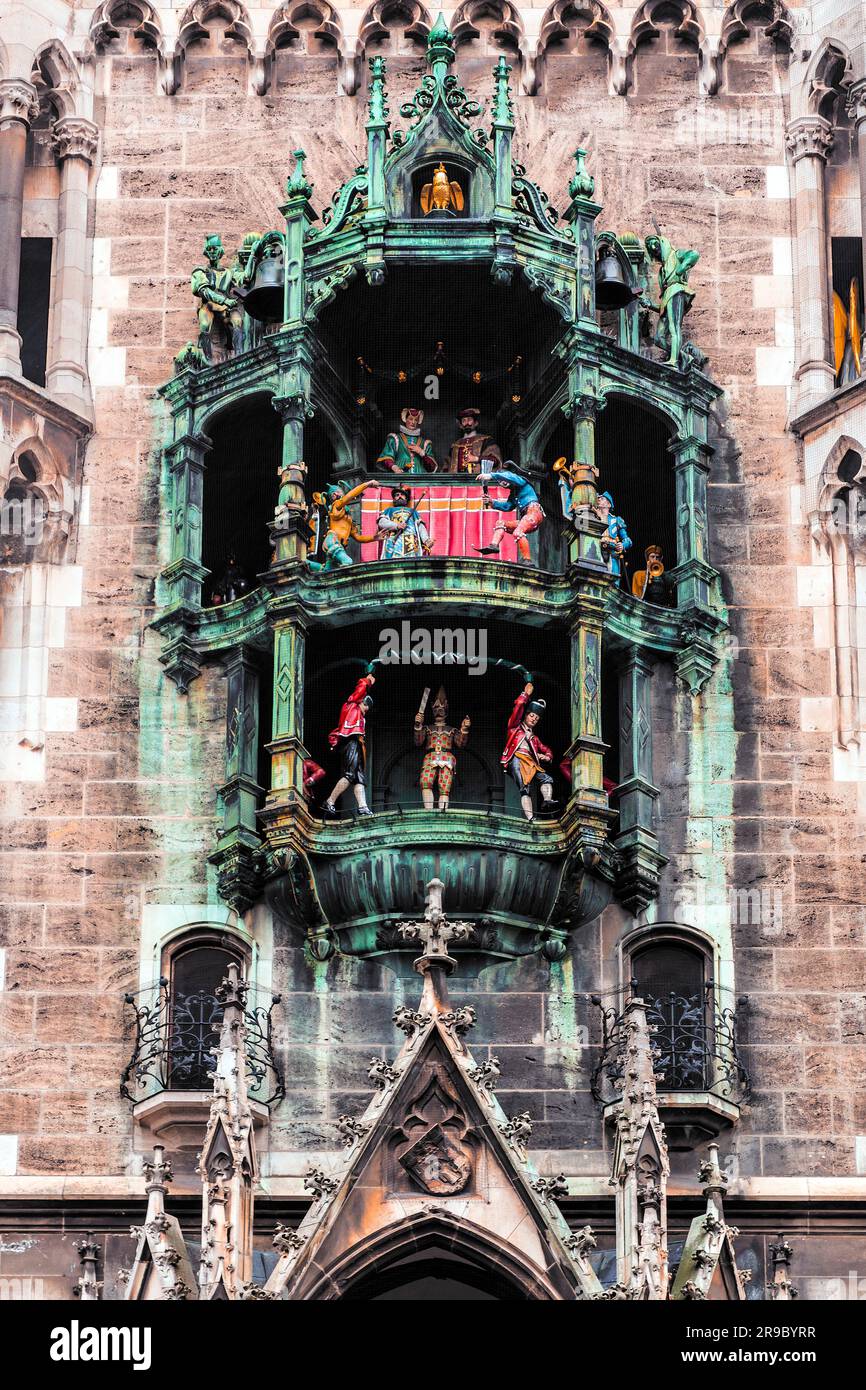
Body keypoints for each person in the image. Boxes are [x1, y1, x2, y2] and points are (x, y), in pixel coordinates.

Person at [501, 681, 557, 822]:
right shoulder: (514, 728)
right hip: (517, 759)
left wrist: (547, 756)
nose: (534, 719)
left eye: (537, 718)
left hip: (531, 762)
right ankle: (530, 817)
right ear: (526, 715)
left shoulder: (534, 738)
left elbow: (547, 749)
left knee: (546, 778)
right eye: (532, 716)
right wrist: (525, 695)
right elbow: (518, 708)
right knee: (524, 788)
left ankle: (547, 800)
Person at [323, 673, 375, 818]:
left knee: (359, 778)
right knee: (350, 774)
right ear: (361, 702)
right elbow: (360, 689)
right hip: (350, 742)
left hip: (357, 744)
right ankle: (330, 801)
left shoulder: (360, 714)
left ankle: (363, 806)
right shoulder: (351, 705)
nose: (366, 711)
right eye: (365, 707)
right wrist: (368, 681)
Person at [644, 234, 699, 369]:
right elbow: (664, 306)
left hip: (677, 291)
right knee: (659, 338)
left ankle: (673, 361)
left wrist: (682, 267)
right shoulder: (662, 271)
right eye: (650, 247)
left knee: (674, 328)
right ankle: (683, 356)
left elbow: (694, 254)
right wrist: (650, 305)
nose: (653, 248)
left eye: (655, 244)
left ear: (662, 244)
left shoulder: (676, 255)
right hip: (669, 295)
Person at [474, 464, 544, 566]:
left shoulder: (521, 481)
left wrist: (492, 475)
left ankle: (527, 560)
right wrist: (491, 502)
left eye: (503, 477)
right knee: (501, 523)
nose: (502, 481)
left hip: (533, 512)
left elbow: (511, 477)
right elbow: (507, 506)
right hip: (527, 517)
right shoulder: (514, 494)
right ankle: (494, 545)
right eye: (500, 481)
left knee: (517, 532)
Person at [414, 687, 470, 811]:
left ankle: (442, 811)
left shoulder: (451, 730)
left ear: (446, 710)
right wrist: (418, 726)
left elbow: (461, 743)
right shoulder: (428, 728)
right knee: (426, 782)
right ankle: (428, 810)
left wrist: (464, 729)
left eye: (442, 709)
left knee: (444, 786)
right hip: (431, 756)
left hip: (447, 757)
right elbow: (418, 741)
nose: (439, 712)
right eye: (436, 709)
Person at [307, 479, 378, 570]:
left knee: (326, 572)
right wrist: (367, 484)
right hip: (332, 541)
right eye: (341, 492)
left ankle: (305, 563)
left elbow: (358, 537)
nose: (343, 494)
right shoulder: (336, 505)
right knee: (348, 562)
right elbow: (350, 496)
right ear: (334, 495)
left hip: (338, 545)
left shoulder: (348, 518)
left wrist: (374, 537)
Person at [376, 485, 432, 559]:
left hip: (410, 542)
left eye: (402, 494)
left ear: (406, 497)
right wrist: (396, 525)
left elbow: (420, 526)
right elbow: (381, 522)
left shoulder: (413, 511)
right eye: (397, 495)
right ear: (394, 498)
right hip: (393, 541)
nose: (399, 496)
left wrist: (426, 540)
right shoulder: (389, 510)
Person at [376, 408, 437, 474]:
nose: (413, 422)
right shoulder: (395, 439)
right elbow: (386, 458)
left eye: (416, 420)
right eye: (410, 419)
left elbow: (432, 467)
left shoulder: (425, 443)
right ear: (405, 419)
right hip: (401, 476)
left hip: (420, 478)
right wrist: (394, 467)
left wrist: (421, 452)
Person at [446, 408, 502, 475]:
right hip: (457, 481)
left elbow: (496, 460)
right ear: (460, 425)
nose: (467, 423)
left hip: (478, 479)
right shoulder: (455, 446)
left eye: (469, 420)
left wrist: (476, 458)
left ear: (475, 423)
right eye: (464, 421)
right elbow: (446, 466)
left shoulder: (486, 440)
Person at [595, 491, 631, 581]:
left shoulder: (616, 520)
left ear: (608, 504)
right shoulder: (594, 518)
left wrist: (622, 545)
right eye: (598, 498)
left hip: (612, 553)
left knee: (613, 581)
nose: (599, 499)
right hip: (598, 552)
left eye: (602, 498)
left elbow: (628, 540)